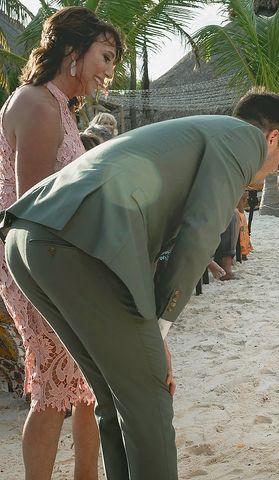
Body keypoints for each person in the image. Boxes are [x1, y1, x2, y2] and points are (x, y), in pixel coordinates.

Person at [1, 90, 279, 479]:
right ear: (273, 138)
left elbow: (149, 246)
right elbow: (200, 235)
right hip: (72, 241)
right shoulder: (245, 139)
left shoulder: (197, 136)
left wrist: (154, 334)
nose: (277, 163)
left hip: (29, 239)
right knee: (149, 400)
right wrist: (160, 326)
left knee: (114, 396)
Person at [0, 7, 124, 480]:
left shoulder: (60, 107)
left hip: (58, 258)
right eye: (106, 57)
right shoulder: (34, 103)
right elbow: (34, 207)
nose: (110, 72)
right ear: (72, 51)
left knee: (88, 381)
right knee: (54, 385)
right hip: (34, 263)